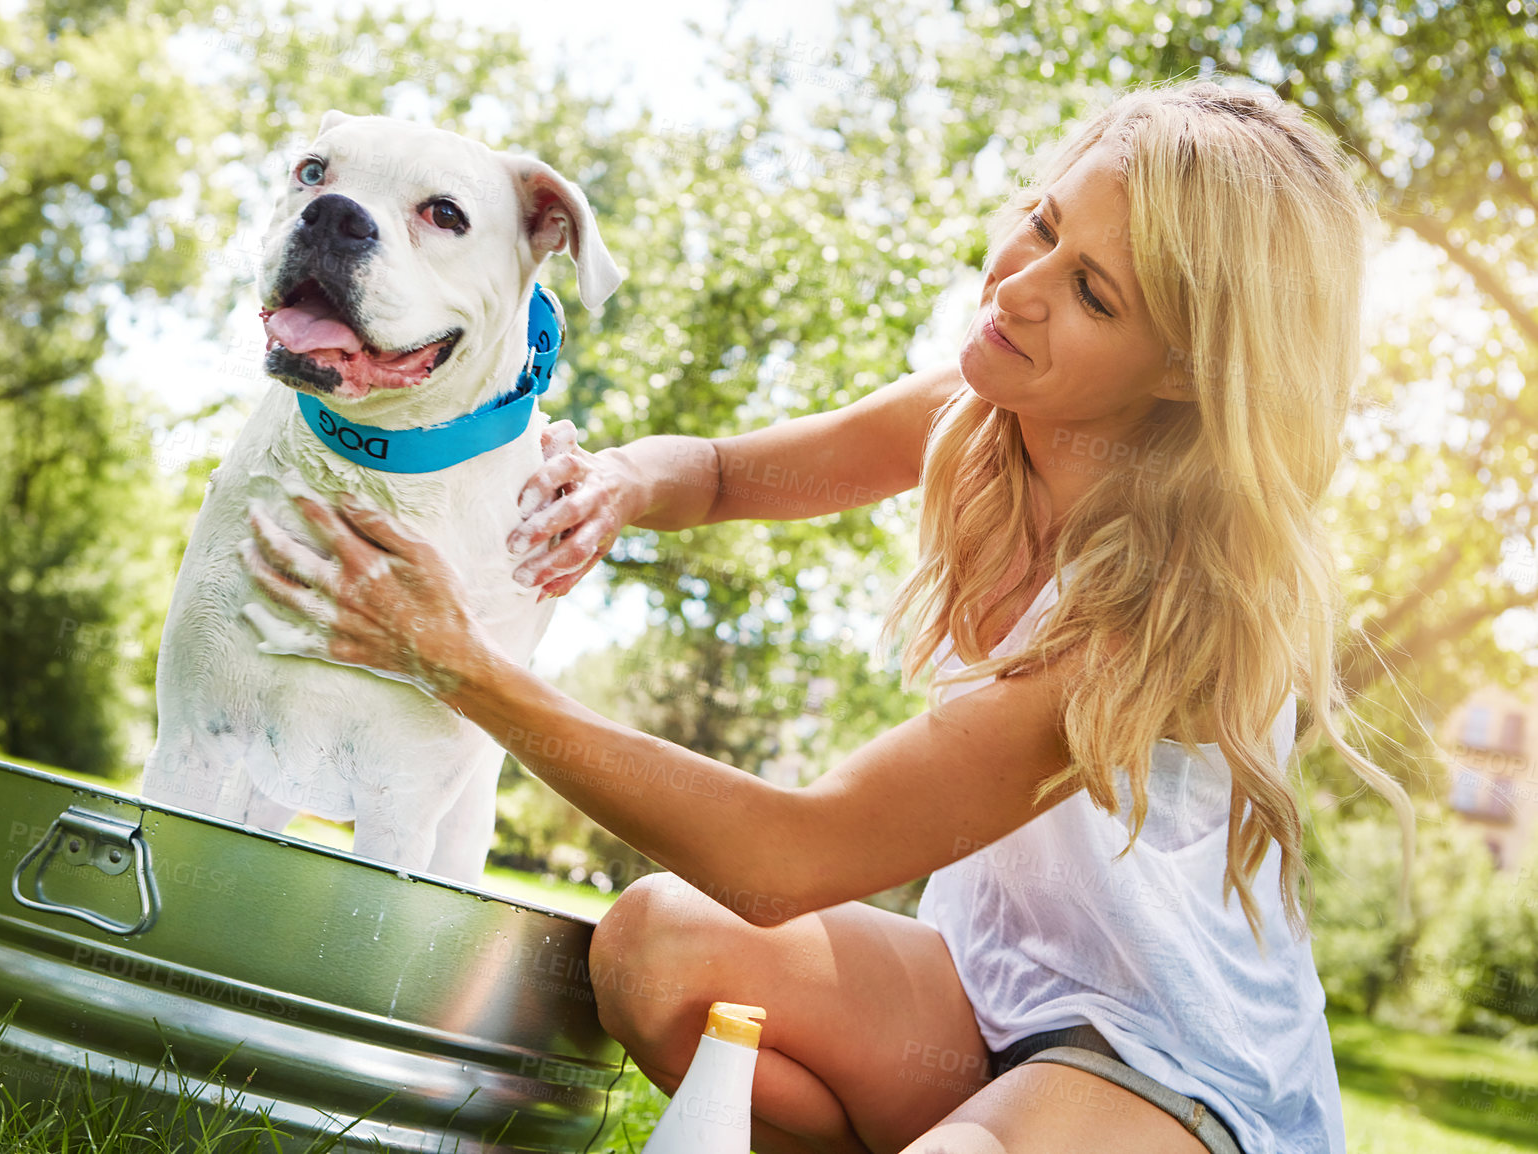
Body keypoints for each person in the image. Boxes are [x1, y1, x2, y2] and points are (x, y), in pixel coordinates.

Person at [240, 80, 1416, 1154]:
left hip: (1167, 1075)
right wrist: (620, 480)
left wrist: (458, 661)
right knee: (657, 944)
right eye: (1045, 224)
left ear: (1184, 370)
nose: (1015, 285)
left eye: (1091, 292)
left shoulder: (1156, 612)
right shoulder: (977, 413)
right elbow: (722, 474)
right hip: (972, 1004)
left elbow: (784, 858)